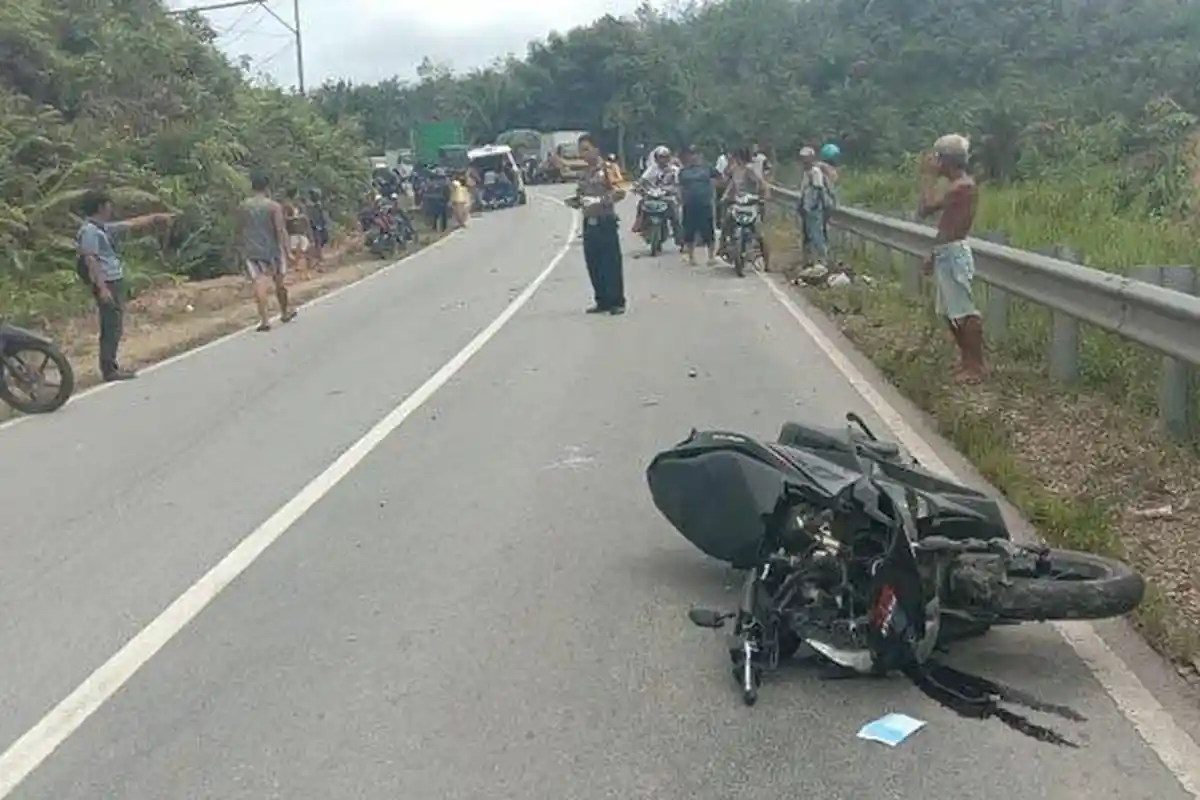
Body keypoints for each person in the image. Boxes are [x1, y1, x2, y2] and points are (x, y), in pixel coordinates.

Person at [76, 190, 173, 381]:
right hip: (106, 282)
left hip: (113, 280)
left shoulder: (100, 228)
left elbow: (129, 225)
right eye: (108, 205)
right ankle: (109, 369)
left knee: (116, 325)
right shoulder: (89, 231)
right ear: (101, 207)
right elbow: (90, 259)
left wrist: (154, 218)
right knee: (111, 325)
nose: (111, 209)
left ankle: (111, 365)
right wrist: (102, 288)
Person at [918, 134, 984, 382]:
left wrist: (928, 177)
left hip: (955, 253)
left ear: (946, 160)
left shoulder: (962, 186)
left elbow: (925, 209)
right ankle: (967, 361)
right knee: (949, 313)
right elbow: (944, 225)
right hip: (946, 251)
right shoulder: (958, 186)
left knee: (964, 312)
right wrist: (933, 253)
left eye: (938, 158)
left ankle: (976, 365)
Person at [571, 133, 627, 315]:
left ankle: (617, 301)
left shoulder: (608, 168)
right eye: (580, 150)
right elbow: (580, 194)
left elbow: (620, 191)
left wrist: (599, 201)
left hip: (605, 221)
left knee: (611, 262)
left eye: (586, 149)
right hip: (589, 222)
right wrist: (577, 201)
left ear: (596, 149)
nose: (583, 154)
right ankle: (601, 299)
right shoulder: (584, 173)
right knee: (594, 263)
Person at [235, 171, 297, 333]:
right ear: (267, 187)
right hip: (272, 250)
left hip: (251, 250)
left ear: (252, 186)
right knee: (279, 283)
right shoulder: (273, 206)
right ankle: (284, 312)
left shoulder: (243, 206)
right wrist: (287, 251)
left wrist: (240, 247)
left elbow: (240, 229)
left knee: (259, 283)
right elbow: (280, 229)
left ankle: (264, 320)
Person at [719, 147, 767, 256]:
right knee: (726, 221)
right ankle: (722, 246)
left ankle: (764, 254)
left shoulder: (750, 169)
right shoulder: (735, 169)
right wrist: (725, 196)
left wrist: (762, 196)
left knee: (758, 229)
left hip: (750, 202)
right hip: (738, 201)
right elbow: (732, 184)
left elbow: (761, 183)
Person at [677, 146, 718, 266]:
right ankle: (691, 257)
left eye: (697, 154)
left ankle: (711, 257)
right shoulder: (684, 171)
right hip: (689, 204)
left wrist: (712, 191)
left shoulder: (708, 169)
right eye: (692, 154)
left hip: (705, 203)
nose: (694, 157)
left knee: (708, 231)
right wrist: (680, 198)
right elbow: (680, 186)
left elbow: (720, 178)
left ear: (701, 156)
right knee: (689, 232)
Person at [634, 145, 681, 245]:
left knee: (675, 215)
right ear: (656, 158)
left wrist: (676, 190)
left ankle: (680, 239)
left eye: (665, 157)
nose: (662, 160)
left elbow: (679, 183)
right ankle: (639, 223)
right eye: (660, 157)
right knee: (641, 203)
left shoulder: (674, 170)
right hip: (652, 194)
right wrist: (637, 186)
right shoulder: (652, 169)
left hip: (668, 196)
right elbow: (643, 180)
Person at [797, 146, 834, 267]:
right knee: (809, 234)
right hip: (808, 209)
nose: (804, 161)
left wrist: (817, 207)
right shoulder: (806, 172)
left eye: (806, 158)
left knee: (817, 234)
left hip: (814, 209)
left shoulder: (815, 172)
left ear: (811, 158)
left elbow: (819, 190)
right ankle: (809, 260)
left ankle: (822, 260)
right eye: (802, 158)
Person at [282, 188, 313, 277]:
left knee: (303, 252)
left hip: (300, 231)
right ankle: (300, 272)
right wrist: (295, 218)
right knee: (297, 252)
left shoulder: (299, 205)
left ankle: (304, 272)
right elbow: (284, 219)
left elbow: (305, 218)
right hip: (293, 231)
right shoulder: (286, 206)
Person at [305, 187, 330, 266]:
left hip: (318, 227)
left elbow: (322, 217)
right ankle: (319, 259)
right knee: (317, 242)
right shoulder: (313, 206)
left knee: (319, 242)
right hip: (316, 226)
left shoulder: (317, 206)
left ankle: (319, 259)